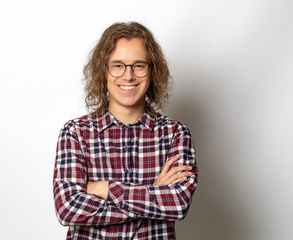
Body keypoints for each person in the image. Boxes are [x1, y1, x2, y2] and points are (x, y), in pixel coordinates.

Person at [53, 22, 198, 240]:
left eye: (138, 65)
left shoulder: (176, 134)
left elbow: (177, 204)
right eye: (118, 65)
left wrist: (107, 189)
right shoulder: (75, 132)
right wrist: (153, 193)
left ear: (152, 71)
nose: (128, 76)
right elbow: (68, 208)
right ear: (104, 72)